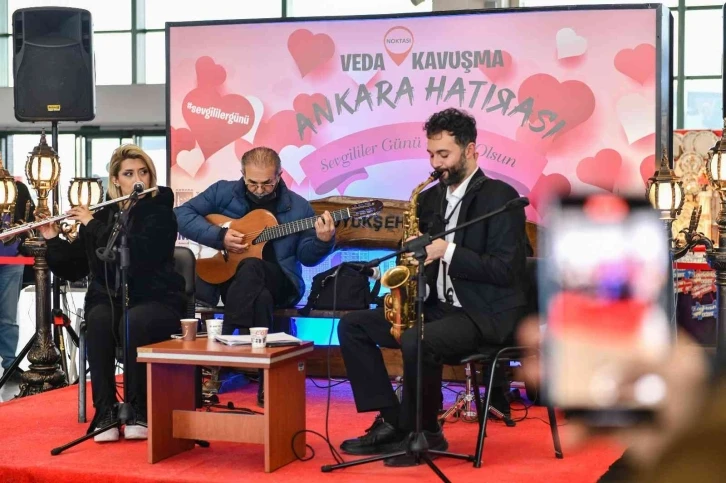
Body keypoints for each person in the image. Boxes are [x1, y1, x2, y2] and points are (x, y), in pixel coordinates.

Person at [336, 108, 529, 467]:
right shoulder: (428, 200)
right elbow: (421, 261)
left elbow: (506, 270)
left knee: (417, 338)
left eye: (444, 154)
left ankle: (426, 431)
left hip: (483, 313)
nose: (436, 163)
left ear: (470, 150)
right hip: (439, 307)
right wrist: (411, 277)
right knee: (353, 326)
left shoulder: (501, 199)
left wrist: (448, 251)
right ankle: (394, 420)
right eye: (431, 154)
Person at [38, 145, 185, 443]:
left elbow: (141, 253)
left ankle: (138, 410)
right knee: (100, 320)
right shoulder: (104, 214)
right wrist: (52, 239)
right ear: (116, 180)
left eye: (143, 172)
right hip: (109, 297)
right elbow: (76, 266)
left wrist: (91, 224)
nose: (138, 179)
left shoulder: (160, 213)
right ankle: (105, 411)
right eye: (129, 174)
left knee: (133, 321)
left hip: (155, 299)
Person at [175, 146, 336, 405]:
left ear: (279, 175)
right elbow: (181, 215)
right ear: (242, 174)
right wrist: (219, 236)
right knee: (259, 297)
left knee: (252, 266)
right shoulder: (222, 192)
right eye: (252, 183)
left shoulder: (299, 207)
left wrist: (323, 241)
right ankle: (266, 381)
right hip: (234, 281)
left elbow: (307, 257)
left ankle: (223, 348)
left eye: (267, 183)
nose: (259, 189)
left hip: (282, 282)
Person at [0, 166, 35, 386]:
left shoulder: (19, 188)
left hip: (12, 261)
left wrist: (23, 250)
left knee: (8, 316)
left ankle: (10, 364)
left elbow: (31, 221)